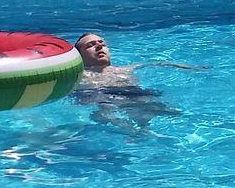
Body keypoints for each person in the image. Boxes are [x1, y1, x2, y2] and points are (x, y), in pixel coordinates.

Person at [71, 33, 203, 135]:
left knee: (178, 114)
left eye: (102, 43)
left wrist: (190, 67)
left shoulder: (126, 69)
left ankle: (146, 131)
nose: (99, 46)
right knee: (108, 113)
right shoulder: (80, 75)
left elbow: (159, 63)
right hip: (103, 99)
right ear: (79, 56)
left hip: (136, 95)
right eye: (90, 45)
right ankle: (134, 133)